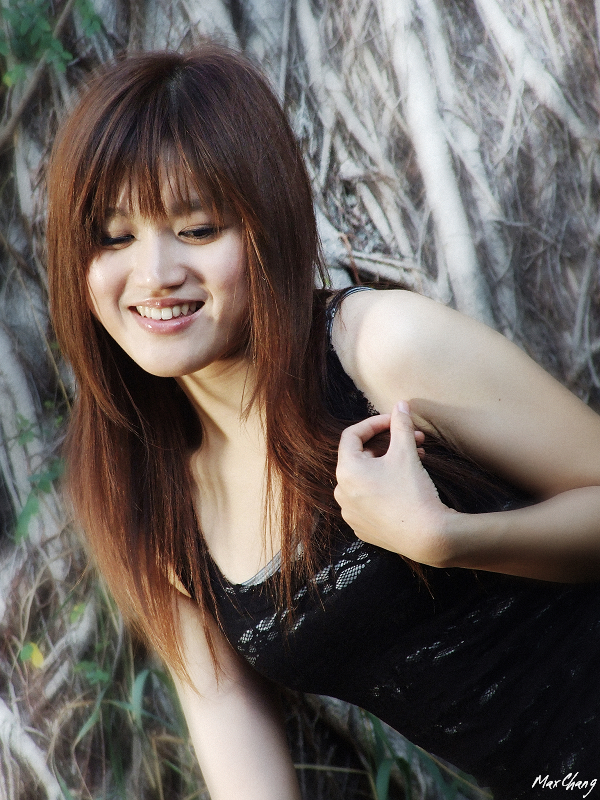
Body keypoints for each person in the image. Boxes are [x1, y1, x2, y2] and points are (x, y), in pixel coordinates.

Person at [46, 44, 600, 800]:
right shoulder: (141, 488)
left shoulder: (380, 351)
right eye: (113, 237)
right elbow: (230, 729)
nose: (155, 274)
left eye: (198, 228)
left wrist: (450, 540)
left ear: (264, 224)